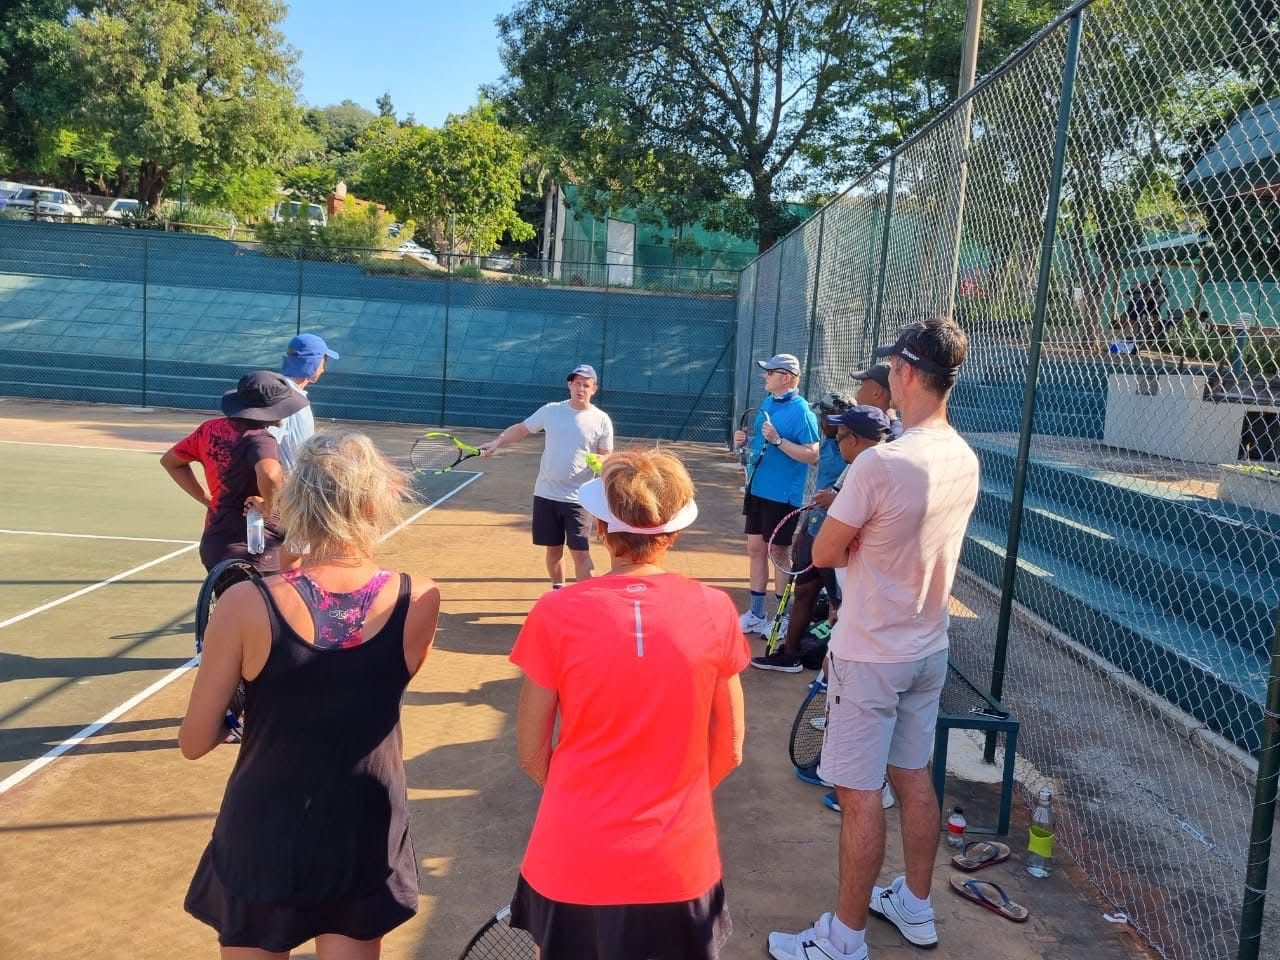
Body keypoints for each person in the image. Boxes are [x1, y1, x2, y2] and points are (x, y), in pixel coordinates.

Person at [179, 432, 441, 959]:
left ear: (295, 504)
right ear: (374, 505)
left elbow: (194, 741)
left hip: (265, 826)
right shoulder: (420, 597)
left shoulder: (246, 603)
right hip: (363, 823)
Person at [768, 318, 980, 960]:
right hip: (928, 647)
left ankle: (844, 939)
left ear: (907, 374)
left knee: (859, 795)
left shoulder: (881, 463)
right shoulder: (963, 455)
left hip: (870, 654)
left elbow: (825, 552)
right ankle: (915, 905)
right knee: (912, 777)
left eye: (891, 366)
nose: (887, 374)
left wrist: (855, 530)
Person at [508, 449, 748, 960]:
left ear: (600, 527)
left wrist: (589, 806)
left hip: (573, 855)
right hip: (679, 862)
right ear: (675, 530)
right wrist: (671, 804)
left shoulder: (555, 611)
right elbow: (729, 749)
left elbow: (531, 753)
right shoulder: (716, 609)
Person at [750, 392, 859, 673]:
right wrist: (807, 526)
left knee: (838, 602)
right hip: (815, 525)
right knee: (804, 590)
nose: (820, 421)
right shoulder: (831, 443)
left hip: (837, 537)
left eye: (824, 416)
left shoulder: (856, 452)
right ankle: (790, 655)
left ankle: (836, 670)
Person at [479, 363, 614, 588]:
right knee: (553, 550)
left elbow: (607, 454)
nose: (580, 388)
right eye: (577, 383)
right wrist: (497, 442)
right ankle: (558, 592)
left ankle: (586, 599)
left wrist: (602, 460)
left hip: (579, 499)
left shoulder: (601, 419)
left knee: (580, 552)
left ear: (594, 389)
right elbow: (522, 429)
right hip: (546, 494)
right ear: (569, 385)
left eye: (586, 385)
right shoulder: (551, 410)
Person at [163, 371, 308, 572]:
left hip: (217, 545)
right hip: (259, 552)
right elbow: (270, 473)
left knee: (227, 594)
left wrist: (208, 500)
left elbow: (171, 462)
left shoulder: (209, 429)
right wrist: (269, 506)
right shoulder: (261, 439)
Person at [733, 353, 821, 635]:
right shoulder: (769, 403)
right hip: (758, 489)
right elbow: (762, 442)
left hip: (783, 496)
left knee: (778, 553)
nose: (765, 376)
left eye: (770, 372)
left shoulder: (803, 412)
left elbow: (812, 455)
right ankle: (757, 614)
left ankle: (782, 619)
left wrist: (779, 440)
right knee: (755, 549)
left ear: (786, 377)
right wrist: (746, 440)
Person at [272, 332, 339, 474]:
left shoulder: (287, 392)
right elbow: (265, 447)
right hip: (288, 485)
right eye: (324, 360)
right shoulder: (285, 395)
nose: (324, 369)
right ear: (313, 362)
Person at [848, 364, 903, 438]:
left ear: (876, 393)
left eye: (861, 385)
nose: (858, 391)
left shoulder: (893, 436)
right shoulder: (896, 429)